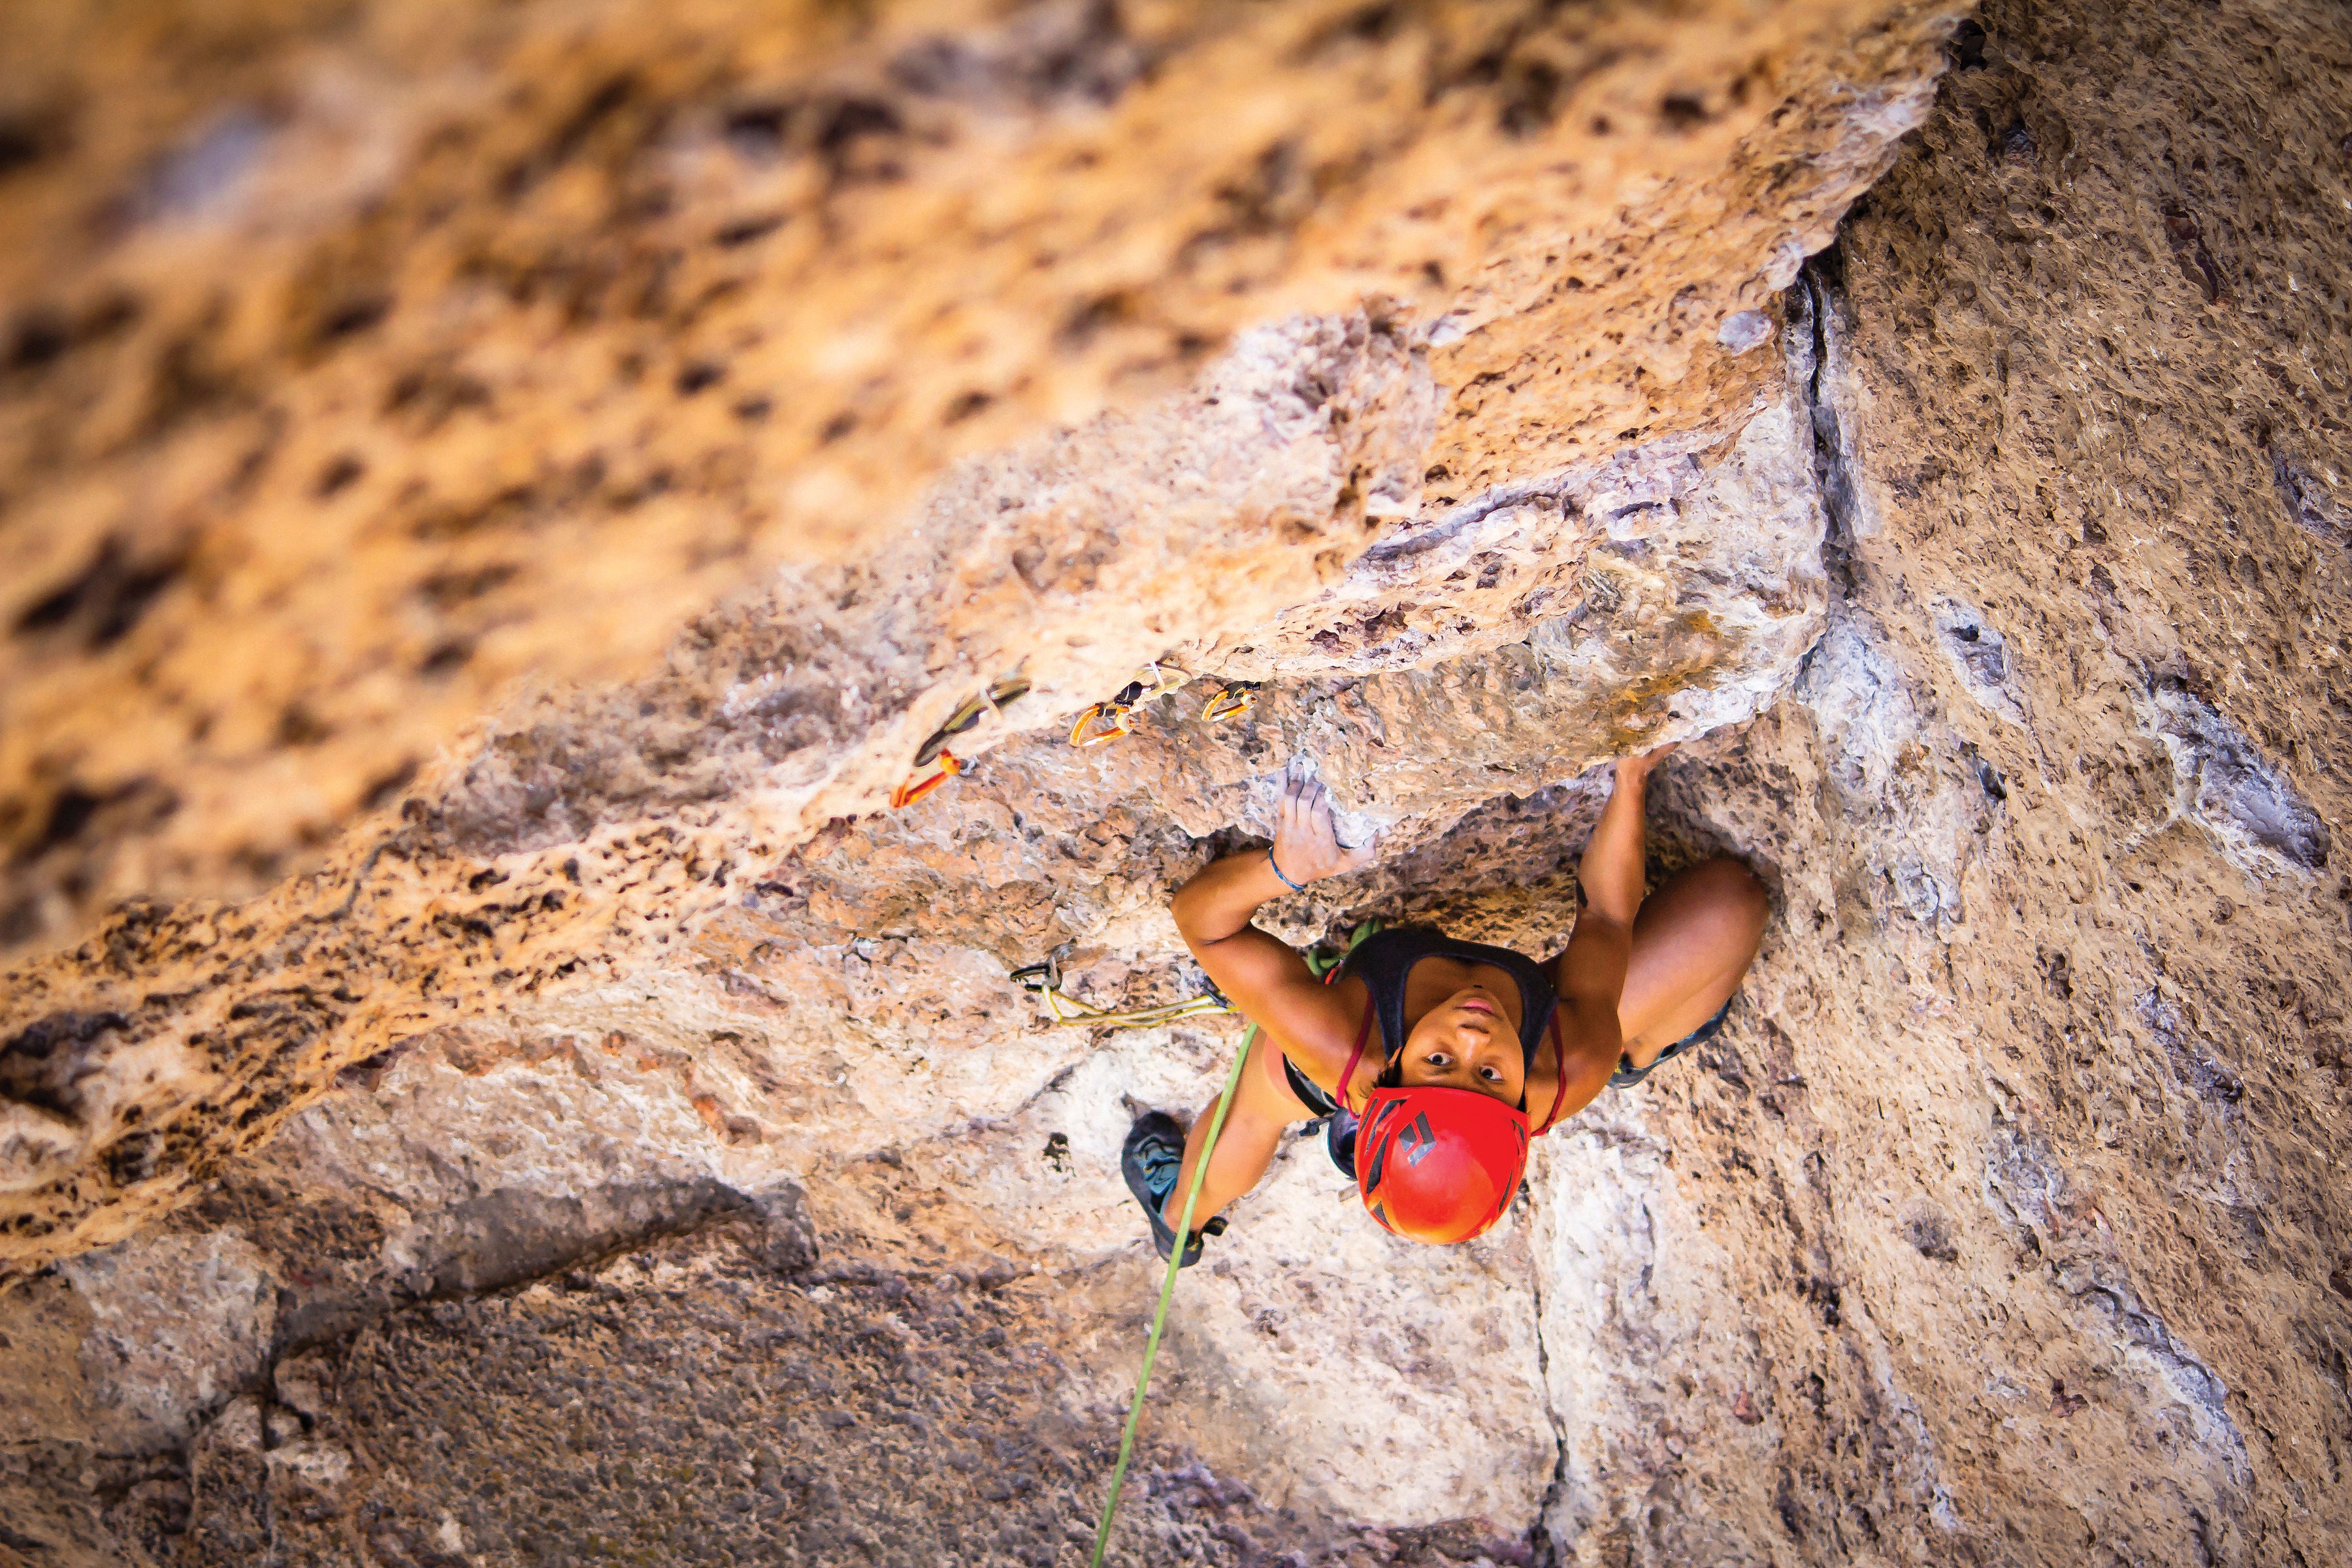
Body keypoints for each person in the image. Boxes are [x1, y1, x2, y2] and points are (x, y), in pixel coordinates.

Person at [1123, 745, 1767, 1260]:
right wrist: (1630, 779)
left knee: (1261, 1099)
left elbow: (1203, 925)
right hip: (1559, 1035)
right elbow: (1605, 919)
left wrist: (1285, 868)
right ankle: (1641, 1044)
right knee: (1732, 904)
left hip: (1353, 1054)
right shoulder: (1567, 1065)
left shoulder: (1341, 1046)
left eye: (1437, 1064)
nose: (1472, 1037)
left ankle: (1179, 1214)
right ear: (1522, 1098)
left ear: (1393, 1065)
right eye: (1489, 1075)